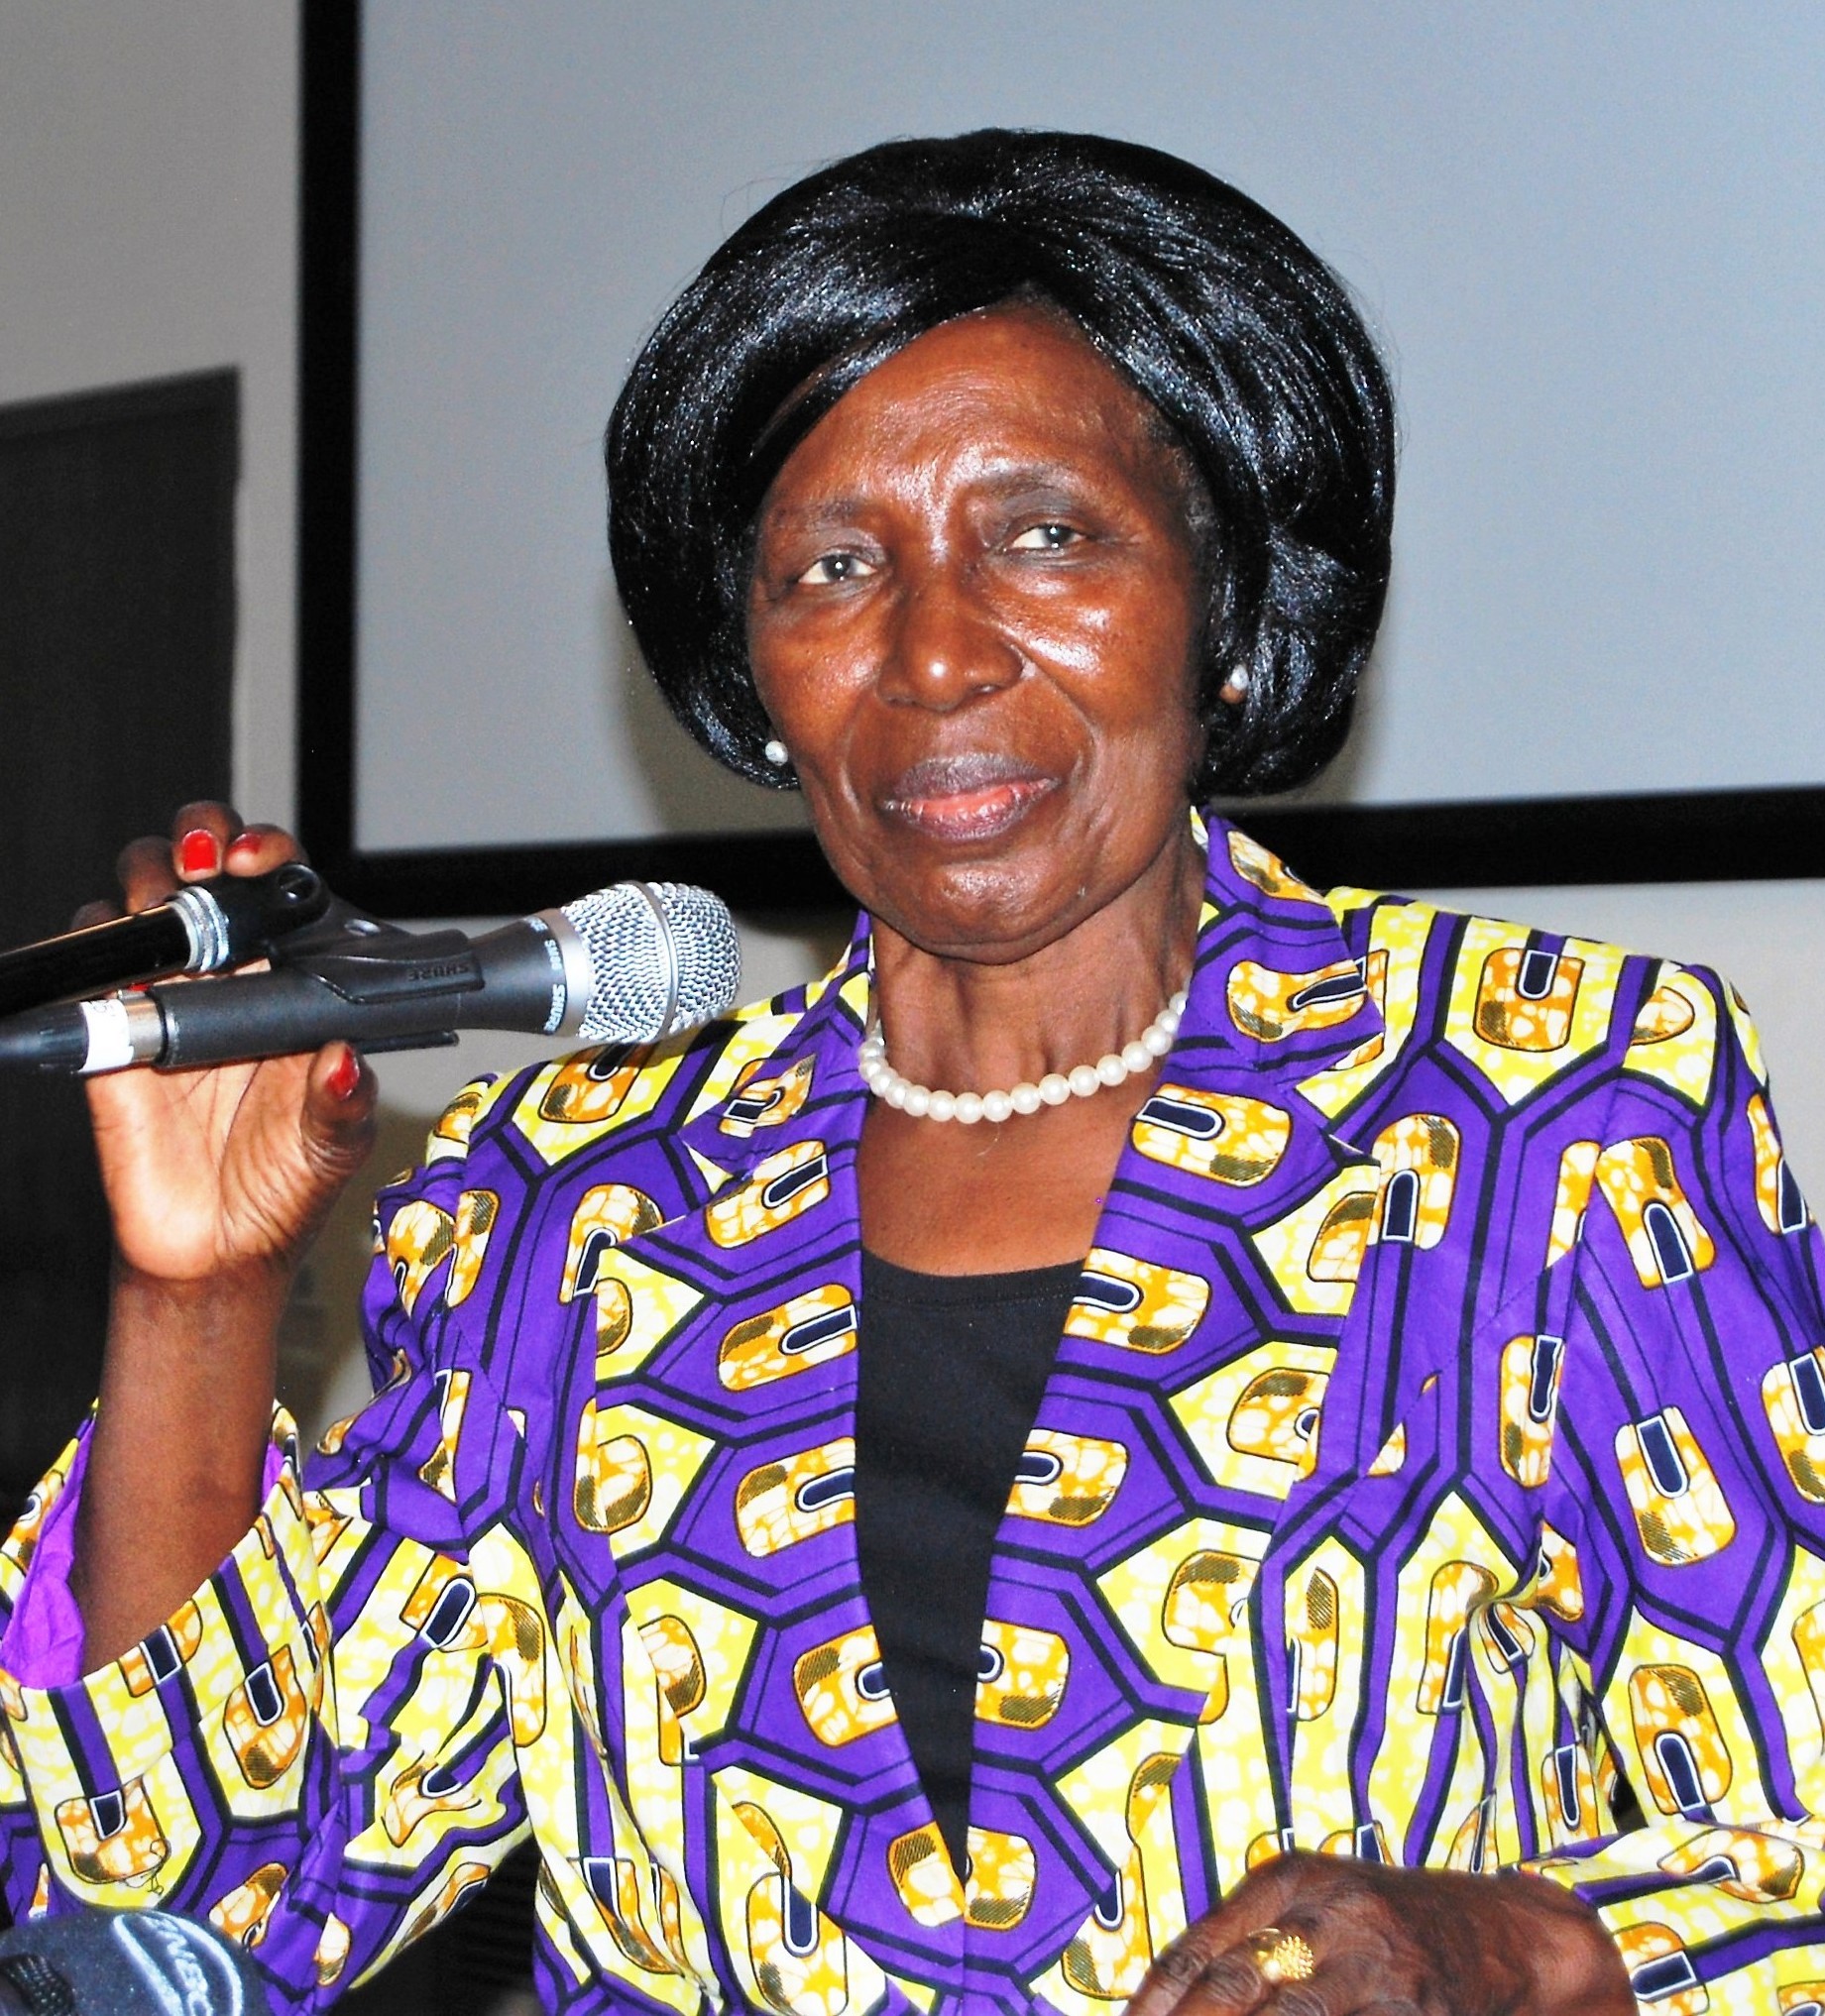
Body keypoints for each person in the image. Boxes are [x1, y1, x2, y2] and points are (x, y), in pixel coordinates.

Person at [0, 127, 1815, 2015]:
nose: (933, 654)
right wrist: (197, 1294)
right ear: (753, 672)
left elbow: (1804, 1829)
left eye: (1044, 535)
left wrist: (1507, 1950)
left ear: (1222, 603)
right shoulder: (568, 1202)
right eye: (833, 566)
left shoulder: (1553, 1107)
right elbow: (184, 1910)